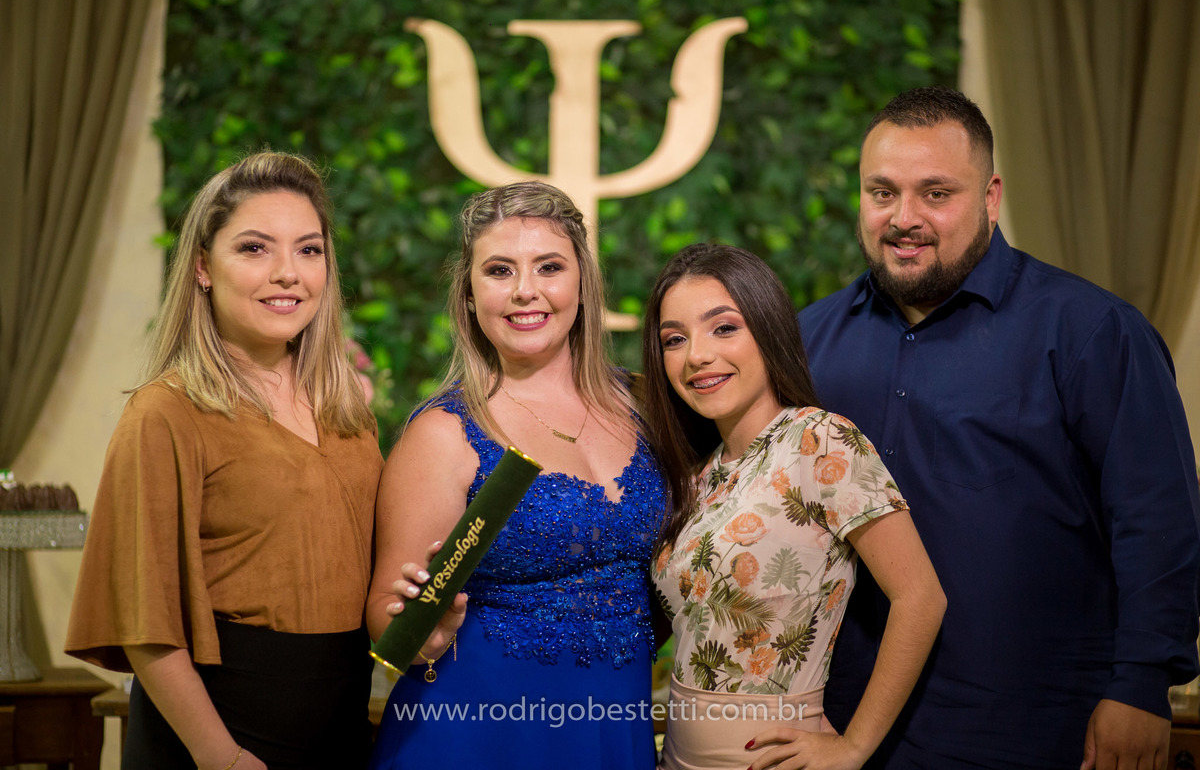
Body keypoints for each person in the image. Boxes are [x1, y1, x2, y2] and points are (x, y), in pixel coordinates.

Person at [799, 86, 1200, 769]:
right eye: (882, 192)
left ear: (991, 197)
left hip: (1031, 730)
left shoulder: (1093, 332)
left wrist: (1141, 685)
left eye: (936, 193)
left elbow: (1156, 519)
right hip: (841, 730)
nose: (904, 218)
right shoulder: (808, 340)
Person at [65, 152, 383, 769]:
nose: (288, 273)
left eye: (309, 250)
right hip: (218, 731)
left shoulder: (347, 412)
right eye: (255, 248)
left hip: (341, 721)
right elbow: (144, 617)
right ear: (203, 267)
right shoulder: (165, 413)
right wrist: (221, 756)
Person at [366, 181, 668, 770]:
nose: (525, 290)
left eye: (549, 267)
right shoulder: (445, 432)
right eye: (499, 270)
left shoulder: (646, 404)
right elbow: (385, 613)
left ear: (582, 283)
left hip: (613, 727)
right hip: (475, 733)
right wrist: (422, 634)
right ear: (469, 294)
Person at [640, 243, 946, 770]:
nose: (696, 356)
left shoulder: (819, 441)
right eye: (675, 339)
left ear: (768, 330)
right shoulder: (696, 478)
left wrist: (854, 747)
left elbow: (921, 598)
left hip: (771, 758)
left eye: (724, 328)